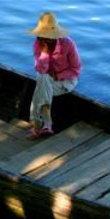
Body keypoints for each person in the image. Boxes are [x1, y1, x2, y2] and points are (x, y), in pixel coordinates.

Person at [27, 12, 82, 140]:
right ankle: (47, 124)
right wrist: (45, 53)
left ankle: (36, 124)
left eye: (48, 36)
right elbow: (40, 69)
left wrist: (58, 75)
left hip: (66, 81)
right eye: (43, 36)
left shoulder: (68, 44)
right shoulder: (37, 45)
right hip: (47, 81)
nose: (46, 39)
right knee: (42, 78)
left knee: (40, 86)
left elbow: (76, 69)